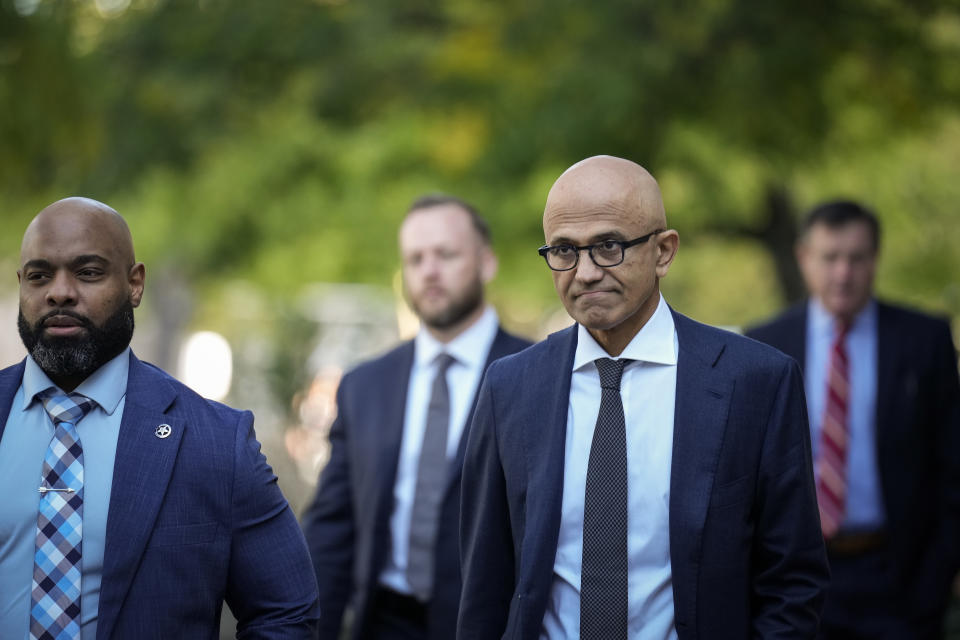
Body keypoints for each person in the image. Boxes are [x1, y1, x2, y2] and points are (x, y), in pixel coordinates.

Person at [458, 156, 830, 640]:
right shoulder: (511, 386)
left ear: (664, 252)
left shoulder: (755, 382)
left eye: (608, 246)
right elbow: (485, 584)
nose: (586, 272)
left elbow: (792, 583)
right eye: (565, 250)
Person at [0, 197, 319, 639]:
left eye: (87, 272)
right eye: (39, 276)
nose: (59, 291)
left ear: (135, 284)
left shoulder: (216, 443)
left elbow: (286, 612)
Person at [300, 194, 531, 640]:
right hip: (382, 624)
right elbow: (332, 529)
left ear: (486, 263)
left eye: (446, 254)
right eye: (415, 258)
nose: (429, 270)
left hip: (489, 627)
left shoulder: (536, 373)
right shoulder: (364, 386)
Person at [746, 200, 960, 639]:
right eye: (830, 258)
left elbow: (952, 471)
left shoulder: (925, 341)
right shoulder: (765, 343)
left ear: (875, 259)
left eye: (857, 258)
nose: (843, 273)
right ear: (804, 258)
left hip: (899, 579)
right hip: (798, 578)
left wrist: (934, 585)